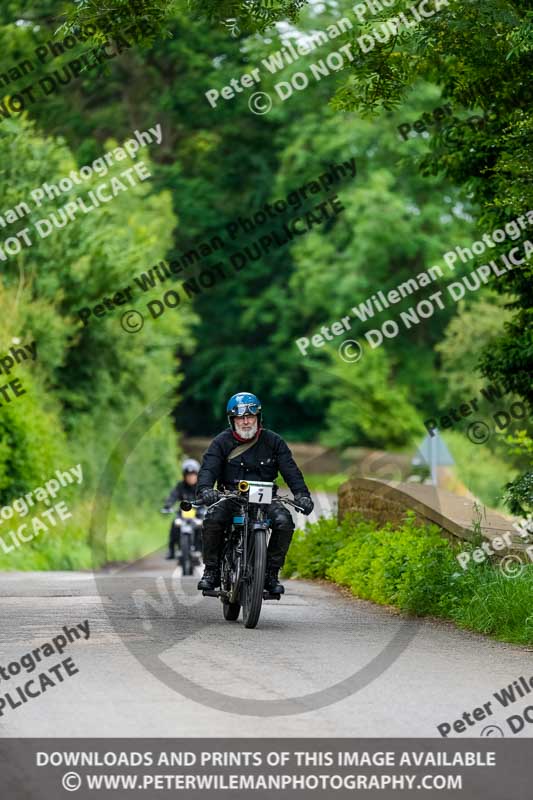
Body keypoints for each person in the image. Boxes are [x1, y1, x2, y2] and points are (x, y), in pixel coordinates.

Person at [196, 392, 314, 595]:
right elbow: (208, 469)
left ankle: (270, 573)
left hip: (265, 499)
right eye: (241, 417)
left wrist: (302, 495)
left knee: (284, 521)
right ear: (232, 420)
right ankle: (212, 570)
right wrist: (206, 490)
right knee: (213, 519)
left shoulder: (274, 442)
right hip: (230, 497)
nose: (246, 421)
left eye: (250, 416)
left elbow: (291, 471)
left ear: (259, 418)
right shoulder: (220, 443)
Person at [162, 458, 202, 559]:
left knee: (206, 527)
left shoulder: (201, 487)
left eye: (193, 475)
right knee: (174, 526)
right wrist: (168, 505)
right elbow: (173, 496)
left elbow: (208, 498)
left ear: (197, 475)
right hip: (183, 513)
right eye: (188, 475)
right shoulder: (180, 486)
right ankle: (171, 551)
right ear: (184, 476)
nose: (191, 477)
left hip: (198, 513)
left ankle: (201, 550)